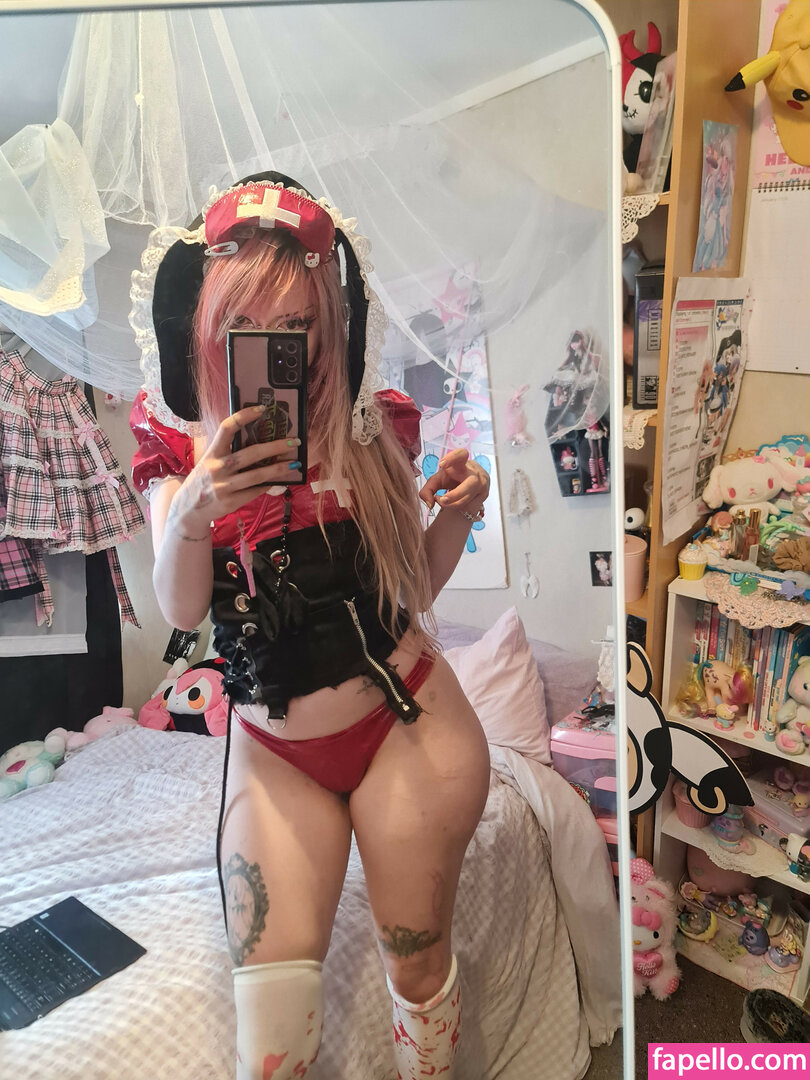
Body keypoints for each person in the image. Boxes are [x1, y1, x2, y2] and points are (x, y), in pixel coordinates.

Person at [129, 173, 491, 1080]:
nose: (277, 347)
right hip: (271, 748)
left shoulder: (369, 426)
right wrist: (196, 508)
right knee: (272, 1028)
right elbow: (181, 609)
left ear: (330, 324)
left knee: (417, 970)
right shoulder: (177, 445)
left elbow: (414, 590)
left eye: (298, 325)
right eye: (248, 324)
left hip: (406, 726)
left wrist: (456, 513)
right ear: (207, 326)